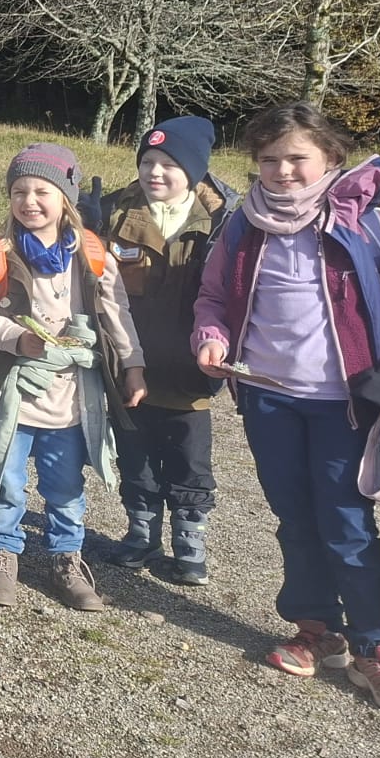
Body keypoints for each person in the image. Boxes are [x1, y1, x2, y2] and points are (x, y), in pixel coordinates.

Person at [192, 103, 380, 717]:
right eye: (269, 160)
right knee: (294, 517)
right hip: (267, 399)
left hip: (346, 407)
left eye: (296, 158)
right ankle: (315, 629)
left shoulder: (367, 227)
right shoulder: (241, 226)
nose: (282, 171)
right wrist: (210, 337)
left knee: (347, 524)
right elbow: (213, 297)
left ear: (330, 158)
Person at [0, 143, 147, 612]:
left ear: (65, 198)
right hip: (8, 397)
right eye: (18, 191)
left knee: (66, 484)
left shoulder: (93, 255)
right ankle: (2, 555)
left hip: (72, 399)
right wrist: (17, 339)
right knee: (5, 481)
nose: (29, 201)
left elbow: (118, 316)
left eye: (41, 191)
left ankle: (65, 560)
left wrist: (133, 366)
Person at [95, 117, 230, 585]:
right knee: (135, 454)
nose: (155, 173)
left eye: (169, 164)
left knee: (189, 459)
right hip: (127, 363)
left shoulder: (221, 221)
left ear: (193, 171)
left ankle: (190, 540)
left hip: (188, 369)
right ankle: (141, 531)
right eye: (148, 162)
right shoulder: (113, 212)